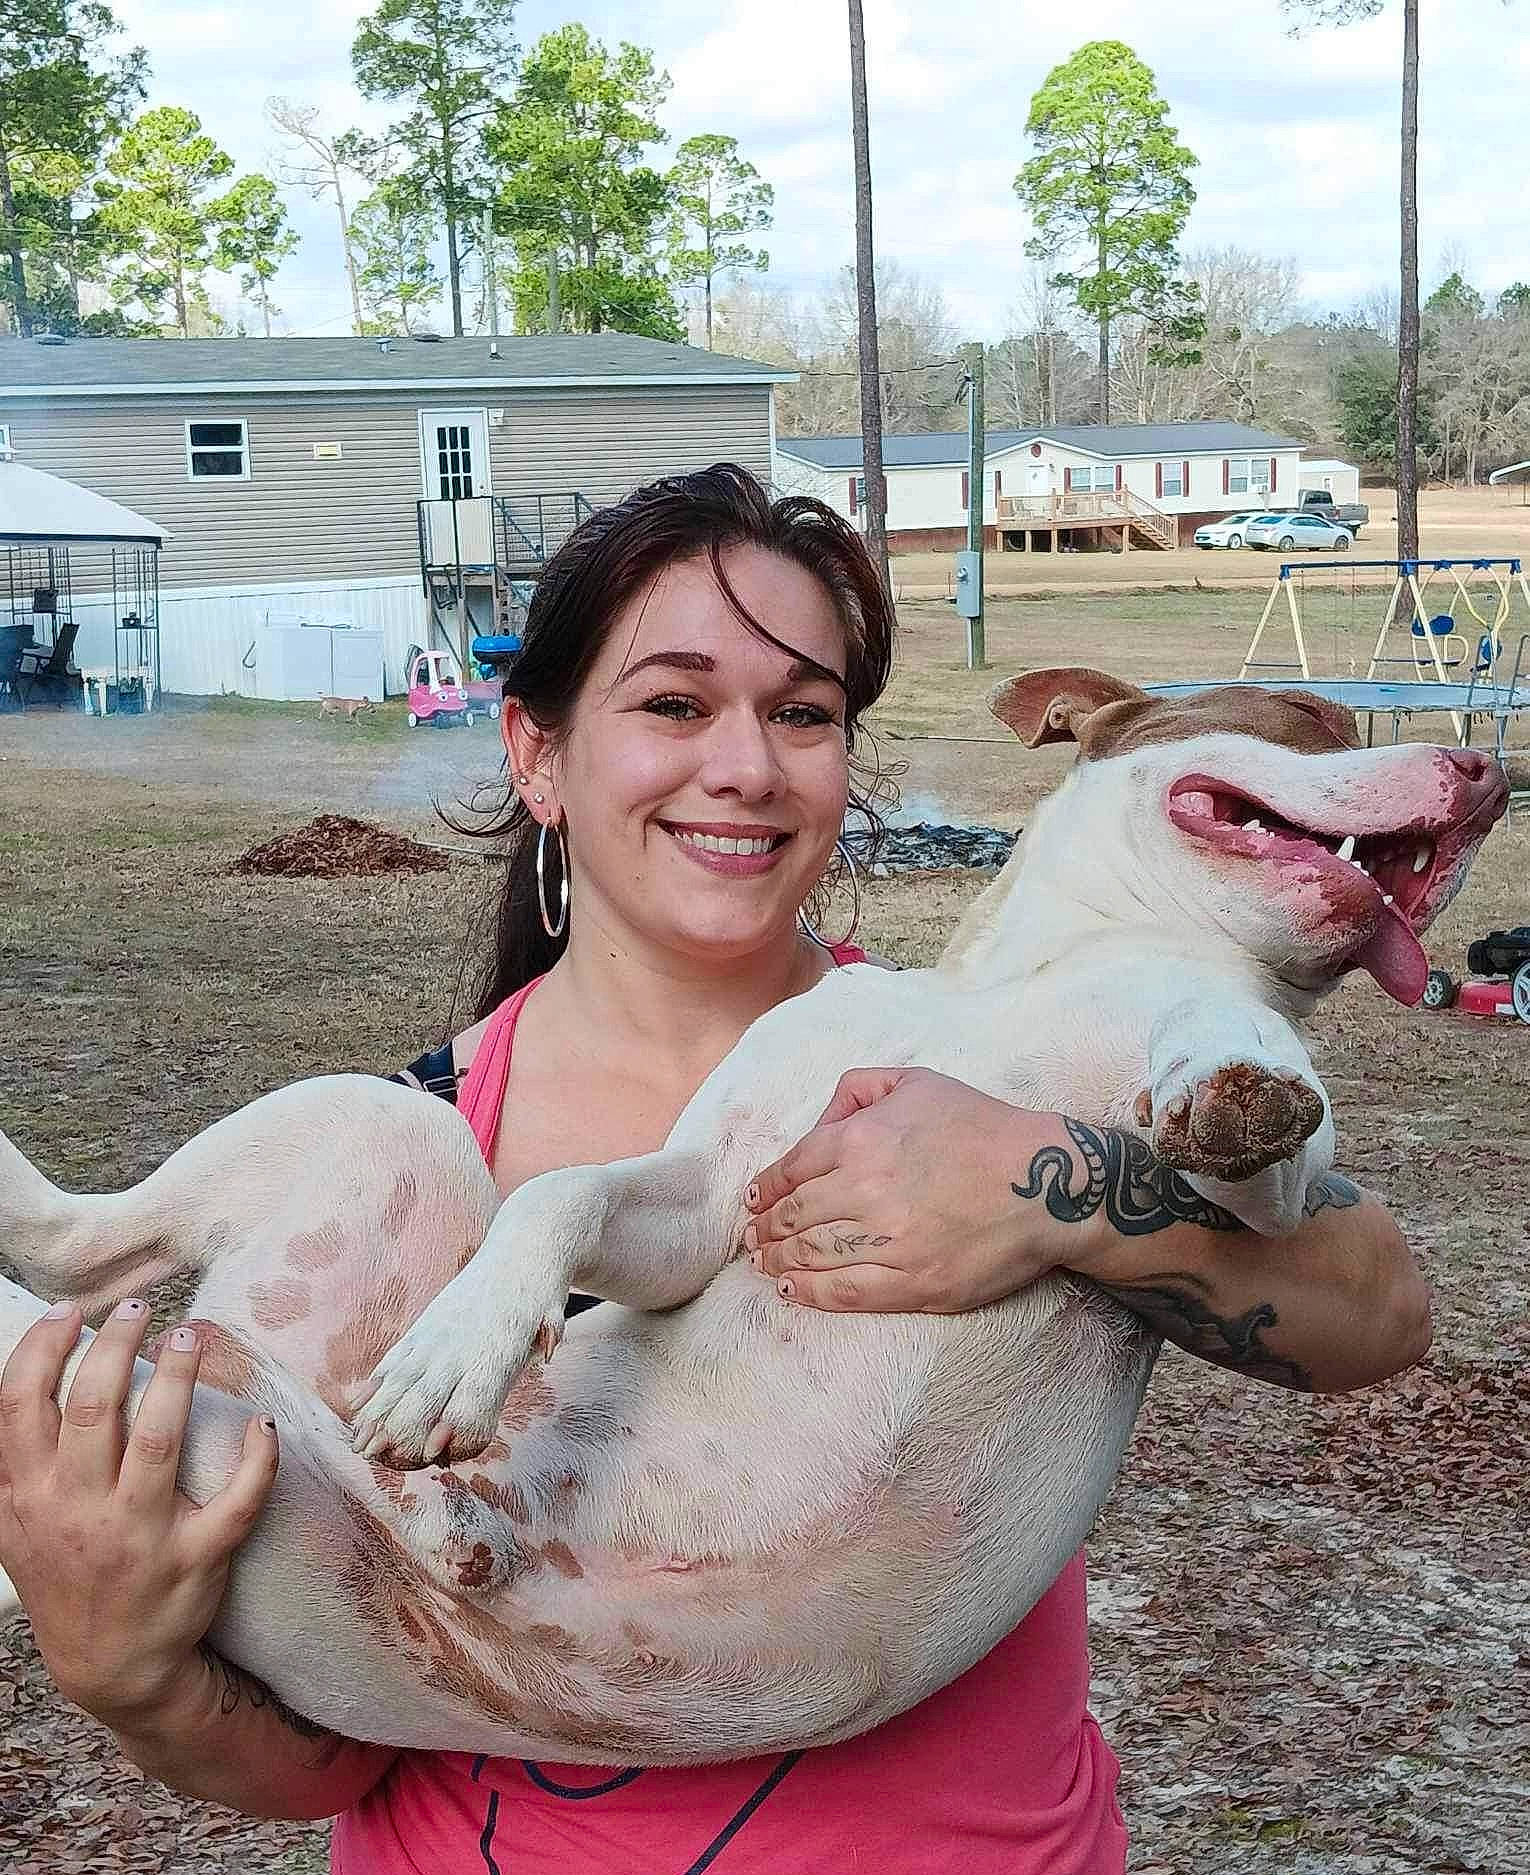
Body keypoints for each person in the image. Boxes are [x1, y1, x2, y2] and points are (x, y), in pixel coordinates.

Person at [0, 465, 1430, 1873]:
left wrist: (1036, 1185)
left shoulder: (972, 1047)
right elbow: (333, 1744)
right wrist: (130, 1669)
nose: (744, 764)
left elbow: (1374, 1314)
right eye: (673, 704)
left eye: (800, 713)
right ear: (537, 755)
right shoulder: (397, 1153)